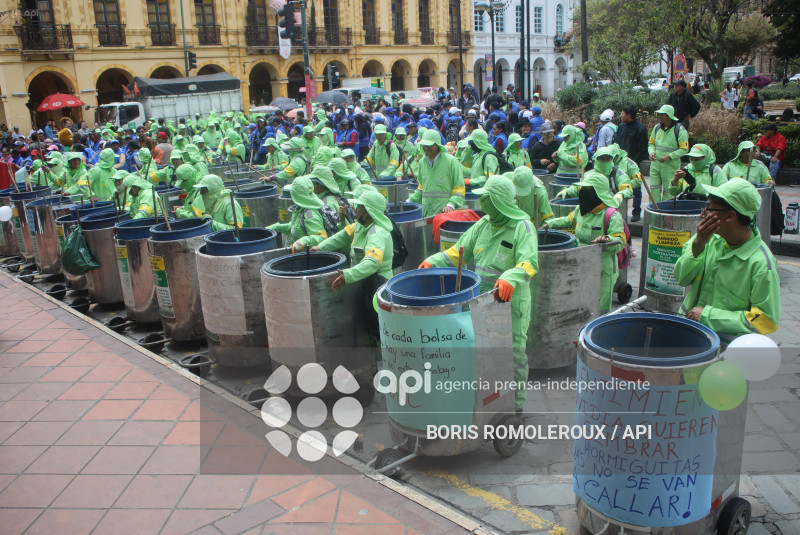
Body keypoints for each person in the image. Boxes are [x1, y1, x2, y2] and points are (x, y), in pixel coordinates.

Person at [420, 175, 538, 412]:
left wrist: (509, 277)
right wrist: (432, 261)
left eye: (486, 197)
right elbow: (457, 252)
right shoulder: (483, 225)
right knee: (485, 353)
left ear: (498, 200)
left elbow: (530, 263)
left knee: (512, 353)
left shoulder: (523, 227)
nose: (481, 201)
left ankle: (515, 406)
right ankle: (491, 400)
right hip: (483, 301)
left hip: (511, 302)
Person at [673, 179, 780, 343]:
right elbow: (681, 278)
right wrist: (698, 245)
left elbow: (765, 320)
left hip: (726, 348)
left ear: (730, 216)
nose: (703, 215)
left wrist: (710, 316)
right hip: (690, 333)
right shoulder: (707, 239)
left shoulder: (761, 264)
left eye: (709, 209)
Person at [310, 189, 394, 340]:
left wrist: (348, 275)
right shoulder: (359, 227)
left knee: (379, 327)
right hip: (363, 281)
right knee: (366, 326)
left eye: (359, 207)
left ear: (367, 212)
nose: (354, 210)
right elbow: (341, 237)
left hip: (377, 287)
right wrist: (320, 247)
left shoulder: (377, 233)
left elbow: (372, 263)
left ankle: (383, 358)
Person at [544, 171, 625, 313]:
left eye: (586, 190)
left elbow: (620, 241)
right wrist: (550, 224)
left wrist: (607, 239)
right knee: (581, 305)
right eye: (581, 189)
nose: (582, 193)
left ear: (597, 193)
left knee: (601, 308)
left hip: (602, 270)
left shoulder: (611, 215)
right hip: (581, 264)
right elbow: (569, 220)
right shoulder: (581, 209)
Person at [406, 129, 465, 217]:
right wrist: (409, 201)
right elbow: (421, 187)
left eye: (430, 146)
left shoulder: (451, 161)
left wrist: (451, 204)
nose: (426, 148)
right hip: (426, 212)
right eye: (424, 145)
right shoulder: (422, 162)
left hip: (444, 213)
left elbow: (459, 187)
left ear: (437, 145)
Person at [268, 176, 329, 248]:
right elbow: (296, 226)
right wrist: (275, 227)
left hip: (310, 256)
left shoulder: (310, 214)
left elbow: (322, 238)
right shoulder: (301, 208)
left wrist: (303, 241)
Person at [648, 105, 689, 202]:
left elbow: (684, 149)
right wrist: (651, 152)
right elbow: (651, 143)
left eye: (663, 114)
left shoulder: (680, 130)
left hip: (670, 166)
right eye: (660, 114)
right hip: (655, 165)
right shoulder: (657, 128)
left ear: (669, 116)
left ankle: (667, 212)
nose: (660, 116)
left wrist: (668, 157)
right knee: (654, 189)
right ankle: (654, 210)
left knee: (669, 190)